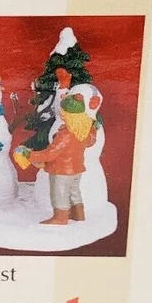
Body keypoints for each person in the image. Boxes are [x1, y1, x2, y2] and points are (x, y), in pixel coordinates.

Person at [23, 93, 96, 226]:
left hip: (62, 170)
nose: (61, 113)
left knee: (59, 193)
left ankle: (60, 218)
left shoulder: (66, 134)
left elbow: (51, 153)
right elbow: (90, 142)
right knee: (74, 191)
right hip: (77, 168)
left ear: (68, 114)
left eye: (63, 111)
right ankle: (78, 214)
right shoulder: (84, 129)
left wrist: (31, 155)